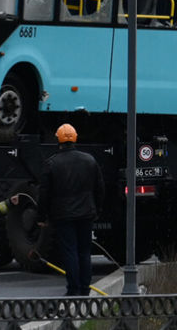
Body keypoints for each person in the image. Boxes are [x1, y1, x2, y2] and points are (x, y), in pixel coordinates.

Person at [37, 123, 105, 296]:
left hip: (63, 215)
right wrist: (97, 209)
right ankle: (85, 288)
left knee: (70, 252)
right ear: (75, 138)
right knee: (84, 251)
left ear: (58, 140)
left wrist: (41, 216)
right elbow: (100, 188)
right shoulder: (89, 160)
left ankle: (73, 289)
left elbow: (44, 193)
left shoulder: (51, 163)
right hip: (86, 213)